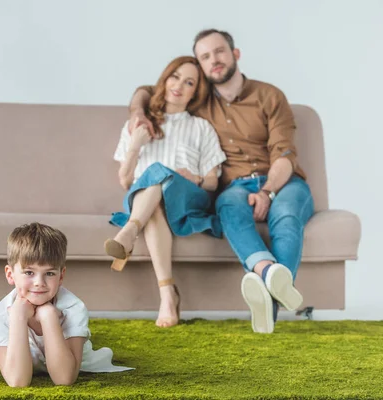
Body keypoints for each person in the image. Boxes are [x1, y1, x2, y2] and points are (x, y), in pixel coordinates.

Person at [128, 29, 315, 334]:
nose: (213, 60)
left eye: (219, 52)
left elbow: (284, 154)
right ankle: (270, 276)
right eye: (205, 57)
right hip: (235, 187)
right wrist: (138, 114)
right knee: (228, 206)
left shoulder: (269, 95)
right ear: (200, 67)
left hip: (282, 181)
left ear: (235, 54)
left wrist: (268, 191)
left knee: (286, 214)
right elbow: (146, 91)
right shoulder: (198, 103)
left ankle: (267, 294)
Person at [105, 55, 226, 328]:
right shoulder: (138, 124)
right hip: (146, 203)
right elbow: (126, 180)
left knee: (160, 172)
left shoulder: (200, 127)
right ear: (165, 78)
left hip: (187, 200)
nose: (179, 85)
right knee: (154, 188)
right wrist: (136, 143)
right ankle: (168, 295)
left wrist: (192, 177)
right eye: (175, 77)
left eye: (189, 82)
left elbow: (212, 183)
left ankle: (129, 232)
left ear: (196, 91)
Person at [0, 222, 132, 387]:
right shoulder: (1, 316)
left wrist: (49, 317)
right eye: (29, 272)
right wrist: (18, 317)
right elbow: (17, 381)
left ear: (61, 276)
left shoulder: (73, 308)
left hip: (58, 343)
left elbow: (64, 378)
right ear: (10, 275)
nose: (39, 283)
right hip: (1, 320)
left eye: (49, 273)